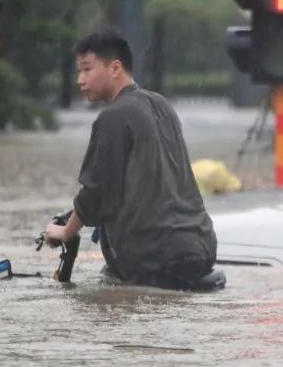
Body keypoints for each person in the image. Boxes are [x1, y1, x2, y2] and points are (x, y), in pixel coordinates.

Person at [41, 30, 219, 290]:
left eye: (87, 69)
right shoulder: (162, 105)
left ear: (115, 68)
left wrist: (66, 231)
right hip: (201, 249)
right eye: (78, 71)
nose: (80, 80)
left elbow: (96, 191)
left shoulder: (113, 117)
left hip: (152, 260)